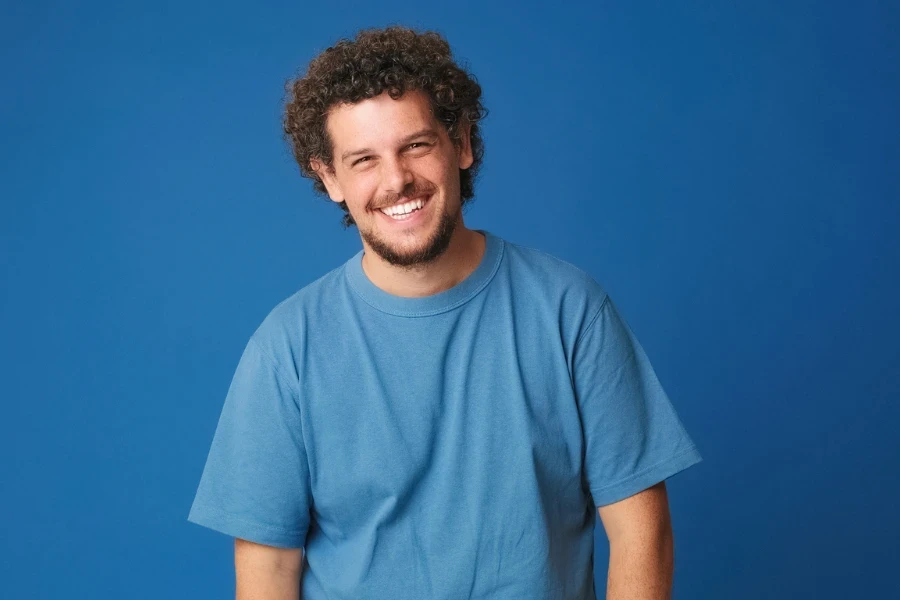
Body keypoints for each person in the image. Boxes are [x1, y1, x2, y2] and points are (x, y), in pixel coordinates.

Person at [188, 25, 702, 600]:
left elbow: (642, 534)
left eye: (416, 145)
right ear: (330, 178)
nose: (396, 179)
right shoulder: (286, 347)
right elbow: (266, 573)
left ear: (461, 143)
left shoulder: (570, 311)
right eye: (363, 160)